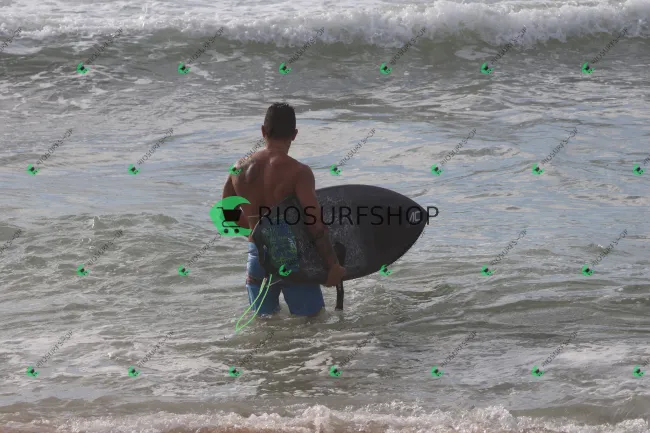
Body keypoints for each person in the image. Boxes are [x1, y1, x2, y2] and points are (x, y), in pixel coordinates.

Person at [221, 102, 346, 317]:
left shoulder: (237, 169)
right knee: (311, 323)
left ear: (263, 130)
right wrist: (333, 265)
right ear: (294, 134)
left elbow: (227, 214)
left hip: (256, 256)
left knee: (264, 323)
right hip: (293, 257)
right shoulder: (299, 172)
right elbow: (314, 223)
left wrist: (257, 230)